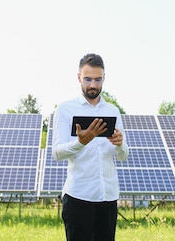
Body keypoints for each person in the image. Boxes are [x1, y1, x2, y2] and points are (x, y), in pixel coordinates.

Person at [52, 53, 129, 241]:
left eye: (97, 79)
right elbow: (57, 153)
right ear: (79, 77)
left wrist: (119, 144)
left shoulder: (112, 111)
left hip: (108, 198)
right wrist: (81, 142)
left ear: (104, 78)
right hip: (79, 197)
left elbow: (122, 156)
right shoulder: (65, 109)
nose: (93, 85)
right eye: (87, 79)